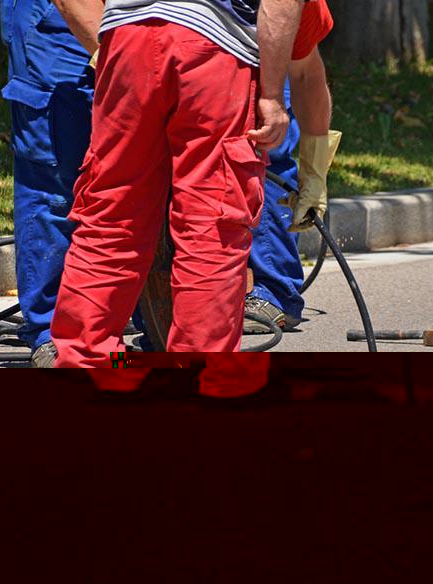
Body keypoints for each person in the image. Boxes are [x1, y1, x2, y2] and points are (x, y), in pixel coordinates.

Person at [48, 0, 306, 396]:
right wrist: (271, 96)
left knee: (111, 215)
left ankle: (90, 363)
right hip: (214, 49)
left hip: (125, 39)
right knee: (211, 226)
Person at [0, 0, 94, 366]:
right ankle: (53, 332)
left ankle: (133, 331)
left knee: (137, 177)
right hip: (57, 23)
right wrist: (109, 55)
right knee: (54, 183)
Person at [243, 0, 339, 334]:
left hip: (255, 52)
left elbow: (306, 72)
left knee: (265, 150)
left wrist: (314, 171)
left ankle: (273, 293)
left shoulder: (293, 7)